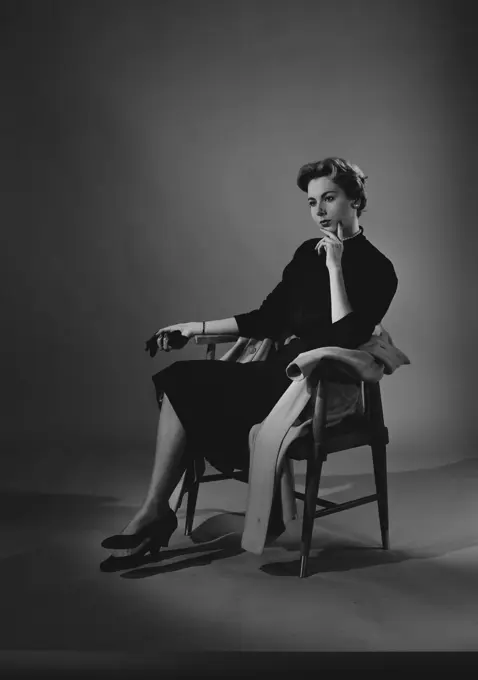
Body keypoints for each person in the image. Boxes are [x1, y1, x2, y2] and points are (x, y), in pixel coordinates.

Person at [100, 157, 398, 568]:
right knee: (179, 377)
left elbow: (347, 337)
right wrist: (193, 327)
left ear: (356, 200)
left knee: (194, 389)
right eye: (312, 203)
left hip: (312, 386)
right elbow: (267, 318)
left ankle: (156, 516)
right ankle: (155, 510)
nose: (320, 211)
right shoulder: (303, 255)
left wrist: (335, 265)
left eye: (329, 198)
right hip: (272, 373)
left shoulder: (380, 269)